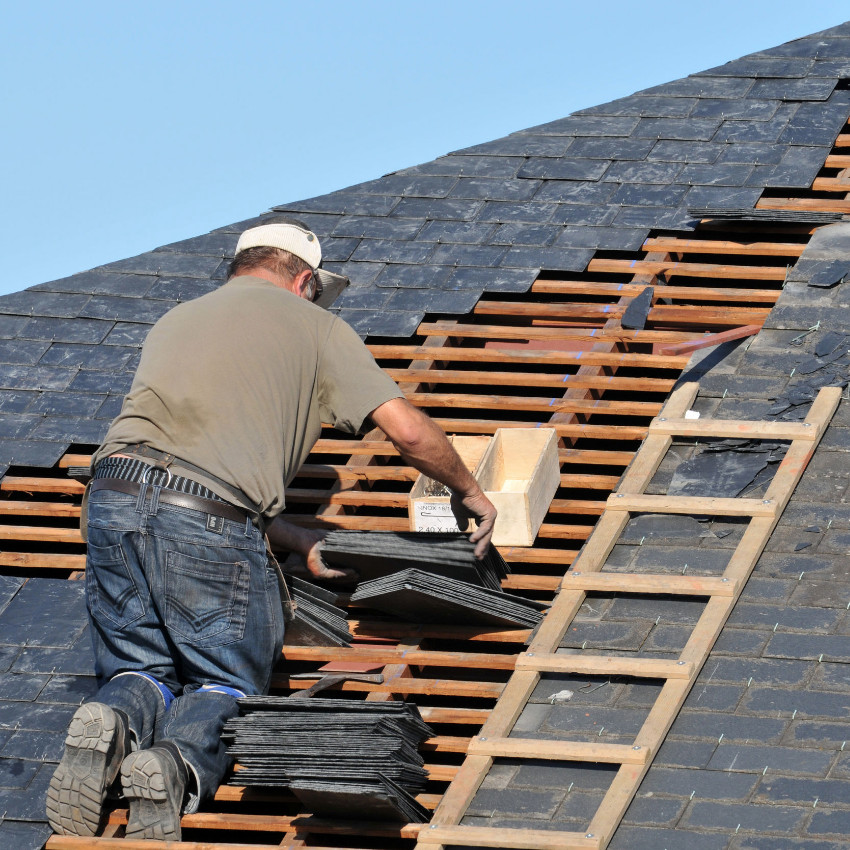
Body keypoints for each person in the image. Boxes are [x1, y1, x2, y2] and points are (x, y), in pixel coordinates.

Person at [46, 220, 497, 840]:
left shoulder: (178, 318)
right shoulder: (317, 327)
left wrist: (290, 535)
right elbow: (409, 432)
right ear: (304, 280)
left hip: (112, 495)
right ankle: (173, 765)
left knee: (137, 664)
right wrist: (470, 491)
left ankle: (112, 717)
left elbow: (184, 465)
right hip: (209, 515)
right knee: (224, 677)